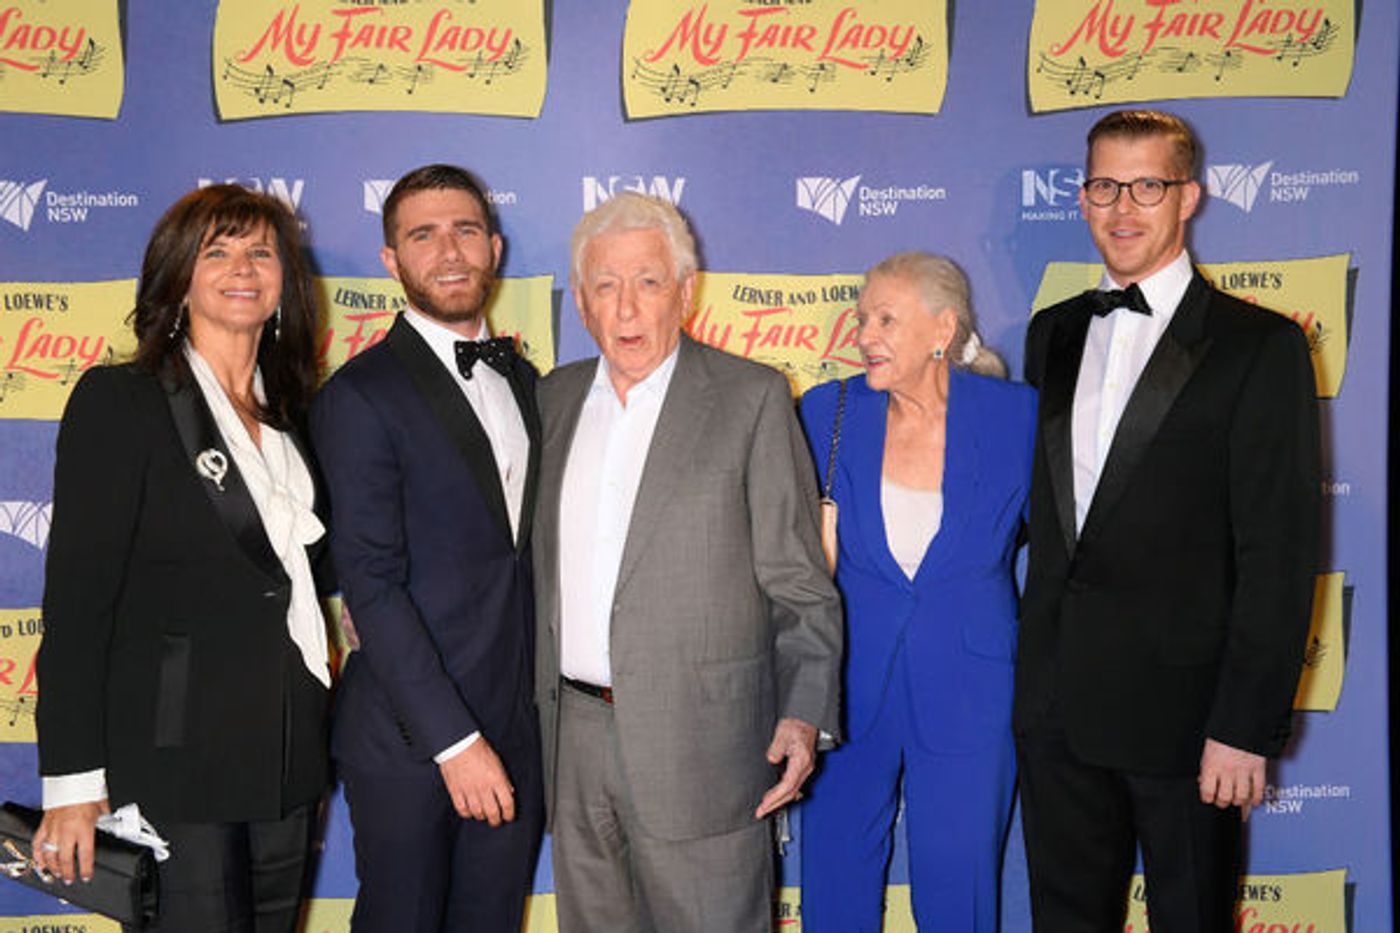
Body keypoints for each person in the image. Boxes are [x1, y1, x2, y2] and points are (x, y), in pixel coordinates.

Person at [1016, 109, 1321, 930]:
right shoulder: (1053, 333)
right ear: (1081, 198)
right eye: (1105, 185)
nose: (1123, 206)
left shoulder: (1260, 346)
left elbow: (1280, 551)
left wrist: (1244, 726)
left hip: (1191, 730)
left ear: (1189, 196)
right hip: (1057, 713)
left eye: (1147, 185)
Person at [533, 192, 843, 932]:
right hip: (572, 742)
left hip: (707, 743)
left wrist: (803, 715)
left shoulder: (752, 398)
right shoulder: (551, 398)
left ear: (686, 289)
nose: (628, 306)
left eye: (648, 280)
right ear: (580, 303)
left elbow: (800, 583)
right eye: (605, 285)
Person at [32, 184, 332, 931]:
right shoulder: (121, 401)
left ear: (285, 283)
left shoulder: (296, 416)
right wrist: (72, 783)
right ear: (178, 277)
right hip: (172, 768)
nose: (243, 267)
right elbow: (76, 606)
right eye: (217, 250)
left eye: (261, 251)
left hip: (287, 763)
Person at [310, 165, 542, 932]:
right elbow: (370, 585)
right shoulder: (359, 396)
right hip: (414, 741)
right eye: (423, 234)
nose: (449, 251)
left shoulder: (530, 383)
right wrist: (456, 740)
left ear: (495, 247)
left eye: (466, 230)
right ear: (391, 261)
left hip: (518, 731)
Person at [798, 253, 1035, 931]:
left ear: (943, 327)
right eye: (862, 317)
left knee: (959, 891)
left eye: (886, 318)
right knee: (835, 884)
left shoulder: (1017, 417)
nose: (865, 333)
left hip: (973, 688)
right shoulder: (825, 411)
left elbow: (1067, 552)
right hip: (844, 691)